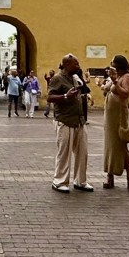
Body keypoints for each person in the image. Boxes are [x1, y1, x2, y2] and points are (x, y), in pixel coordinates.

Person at [48, 54, 92, 193]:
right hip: (65, 120)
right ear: (67, 65)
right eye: (76, 64)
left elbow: (83, 90)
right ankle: (59, 181)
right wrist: (66, 96)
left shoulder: (75, 78)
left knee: (82, 152)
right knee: (64, 153)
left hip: (79, 120)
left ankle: (80, 181)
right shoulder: (57, 79)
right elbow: (50, 97)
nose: (78, 66)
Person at [103, 54, 129, 191]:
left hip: (119, 116)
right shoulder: (116, 76)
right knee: (110, 145)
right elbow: (106, 89)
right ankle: (109, 175)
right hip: (110, 117)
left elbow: (125, 93)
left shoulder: (127, 77)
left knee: (122, 146)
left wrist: (115, 82)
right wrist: (106, 83)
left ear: (118, 65)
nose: (111, 65)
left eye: (112, 63)